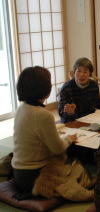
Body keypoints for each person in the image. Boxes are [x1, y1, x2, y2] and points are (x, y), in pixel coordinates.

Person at [12, 66, 76, 199]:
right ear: (46, 90)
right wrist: (68, 139)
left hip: (17, 173)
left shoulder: (21, 109)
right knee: (77, 168)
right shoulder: (43, 115)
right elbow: (57, 148)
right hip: (36, 177)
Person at [58, 57, 100, 123]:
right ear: (74, 72)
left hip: (90, 119)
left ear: (90, 74)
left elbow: (97, 104)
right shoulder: (67, 88)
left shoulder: (93, 85)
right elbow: (61, 112)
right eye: (79, 71)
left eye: (85, 72)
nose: (81, 74)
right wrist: (69, 112)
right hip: (72, 121)